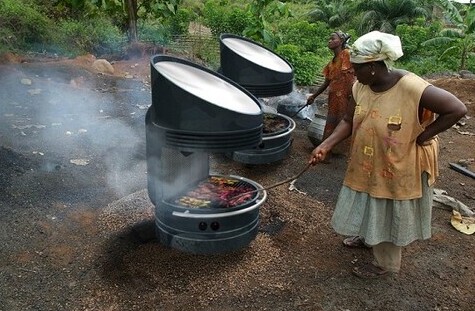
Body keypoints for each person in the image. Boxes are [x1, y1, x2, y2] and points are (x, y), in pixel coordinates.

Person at [308, 31, 467, 278]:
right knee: (368, 197)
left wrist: (423, 136)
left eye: (357, 68)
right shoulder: (359, 86)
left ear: (372, 66)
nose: (352, 72)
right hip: (369, 157)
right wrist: (326, 144)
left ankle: (385, 264)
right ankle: (370, 237)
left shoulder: (411, 86)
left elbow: (457, 109)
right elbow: (349, 120)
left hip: (398, 162)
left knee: (387, 207)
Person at [306, 31, 355, 155]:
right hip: (333, 99)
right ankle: (328, 151)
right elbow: (326, 82)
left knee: (345, 122)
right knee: (331, 123)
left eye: (333, 38)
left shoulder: (347, 55)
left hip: (346, 97)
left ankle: (343, 152)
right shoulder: (332, 63)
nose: (330, 41)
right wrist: (314, 96)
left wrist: (353, 96)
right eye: (329, 39)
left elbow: (355, 76)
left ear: (341, 41)